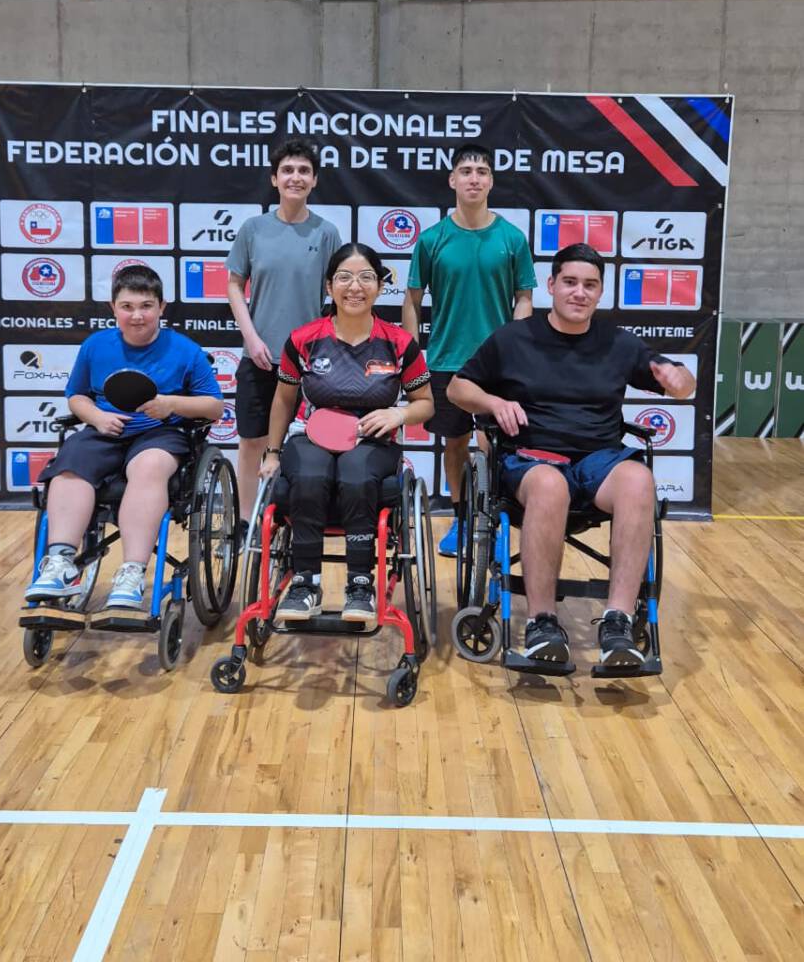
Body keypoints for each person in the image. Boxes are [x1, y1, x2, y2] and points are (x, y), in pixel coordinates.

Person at [447, 242, 696, 668]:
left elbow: (683, 383)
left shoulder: (618, 343)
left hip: (599, 461)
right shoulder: (514, 338)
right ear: (551, 285)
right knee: (550, 485)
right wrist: (493, 403)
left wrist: (680, 380)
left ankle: (617, 622)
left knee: (638, 480)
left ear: (600, 292)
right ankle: (542, 622)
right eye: (570, 282)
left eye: (590, 285)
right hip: (531, 459)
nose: (579, 293)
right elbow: (457, 388)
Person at [24, 264, 223, 610]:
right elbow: (76, 396)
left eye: (146, 306)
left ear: (162, 307)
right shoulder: (96, 345)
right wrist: (96, 417)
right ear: (113, 308)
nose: (137, 316)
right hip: (105, 430)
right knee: (71, 463)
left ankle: (131, 572)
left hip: (161, 433)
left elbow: (214, 406)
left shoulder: (186, 350)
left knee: (148, 467)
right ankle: (60, 564)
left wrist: (170, 404)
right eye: (127, 306)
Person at [260, 243, 433, 625]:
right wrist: (272, 453)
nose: (355, 287)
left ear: (380, 286)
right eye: (345, 278)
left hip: (374, 440)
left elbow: (425, 403)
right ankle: (305, 583)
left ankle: (360, 584)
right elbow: (284, 398)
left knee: (356, 473)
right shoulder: (303, 339)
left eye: (366, 277)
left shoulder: (399, 343)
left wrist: (398, 413)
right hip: (311, 435)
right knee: (309, 474)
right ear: (329, 286)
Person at [402, 142, 536, 556]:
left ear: (491, 181)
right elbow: (412, 300)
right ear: (452, 180)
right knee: (456, 443)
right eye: (466, 171)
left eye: (481, 171)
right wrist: (412, 357)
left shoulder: (512, 238)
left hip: (498, 366)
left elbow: (524, 298)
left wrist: (517, 349)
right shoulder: (432, 240)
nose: (474, 178)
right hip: (446, 360)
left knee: (493, 445)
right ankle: (462, 521)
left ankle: (490, 521)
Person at [226, 138, 342, 537]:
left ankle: (291, 521)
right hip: (259, 357)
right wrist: (252, 338)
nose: (296, 177)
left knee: (304, 447)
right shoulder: (253, 229)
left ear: (314, 180)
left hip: (310, 363)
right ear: (274, 179)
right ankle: (246, 524)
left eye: (304, 171)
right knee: (251, 442)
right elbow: (234, 285)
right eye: (288, 170)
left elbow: (339, 295)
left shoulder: (327, 233)